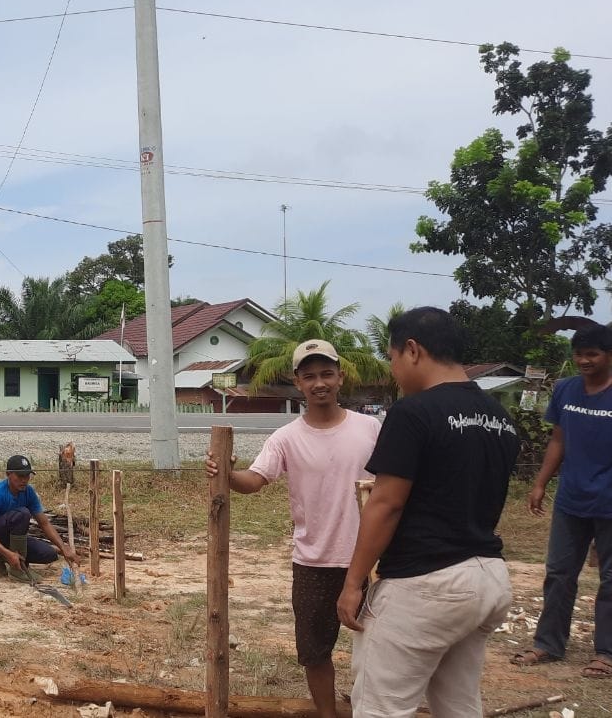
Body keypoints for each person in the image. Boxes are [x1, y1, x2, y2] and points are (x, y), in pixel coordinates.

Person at [337, 307, 520, 716]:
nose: (393, 370)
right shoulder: (501, 419)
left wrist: (353, 583)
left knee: (380, 707)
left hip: (427, 586)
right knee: (458, 705)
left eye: (392, 357)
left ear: (413, 350)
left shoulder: (413, 412)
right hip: (488, 578)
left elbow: (386, 502)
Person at [205, 339, 379, 718]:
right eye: (310, 376)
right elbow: (254, 480)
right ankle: (328, 713)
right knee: (315, 652)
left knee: (379, 648)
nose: (320, 383)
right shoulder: (286, 438)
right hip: (314, 561)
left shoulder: (371, 428)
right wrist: (227, 475)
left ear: (340, 378)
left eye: (327, 374)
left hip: (372, 560)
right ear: (298, 382)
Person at [513, 325, 612, 678]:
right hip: (571, 500)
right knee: (558, 573)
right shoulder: (566, 389)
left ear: (609, 355)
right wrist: (540, 483)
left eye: (593, 354)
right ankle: (548, 644)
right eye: (579, 354)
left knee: (610, 580)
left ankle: (605, 653)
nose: (584, 361)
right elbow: (558, 439)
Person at [0, 455, 79, 581]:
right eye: (20, 476)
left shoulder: (29, 492)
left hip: (9, 536)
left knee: (49, 554)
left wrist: (63, 547)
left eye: (27, 476)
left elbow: (44, 523)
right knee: (22, 514)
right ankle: (17, 570)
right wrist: (8, 553)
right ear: (8, 474)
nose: (24, 480)